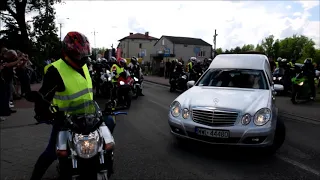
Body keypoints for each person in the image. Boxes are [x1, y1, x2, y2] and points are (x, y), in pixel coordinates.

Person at [29, 31, 95, 180]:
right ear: (68, 52)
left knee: (107, 132)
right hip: (66, 121)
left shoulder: (84, 66)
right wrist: (43, 113)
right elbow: (43, 96)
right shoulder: (55, 70)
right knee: (51, 152)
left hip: (88, 117)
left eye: (84, 54)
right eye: (79, 54)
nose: (82, 58)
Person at [0, 50, 21, 116]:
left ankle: (7, 109)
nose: (14, 58)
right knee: (4, 96)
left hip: (9, 79)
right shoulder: (3, 59)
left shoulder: (10, 60)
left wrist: (21, 60)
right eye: (14, 56)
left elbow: (17, 66)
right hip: (4, 80)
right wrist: (18, 60)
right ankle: (4, 111)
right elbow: (8, 65)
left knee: (8, 96)